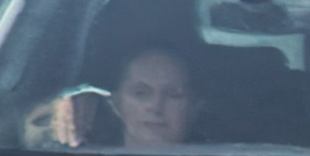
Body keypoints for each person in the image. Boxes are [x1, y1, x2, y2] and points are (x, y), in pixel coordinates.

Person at [23, 46, 202, 150]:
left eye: (173, 94)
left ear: (195, 106)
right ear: (116, 104)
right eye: (140, 93)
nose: (155, 106)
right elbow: (22, 137)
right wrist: (55, 111)